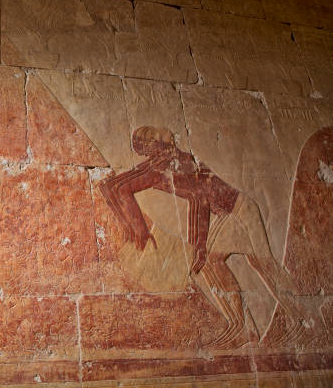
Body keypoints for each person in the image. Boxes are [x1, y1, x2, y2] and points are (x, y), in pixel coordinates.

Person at [99, 126, 306, 349]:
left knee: (255, 262)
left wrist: (198, 246)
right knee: (227, 262)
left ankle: (294, 319)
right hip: (229, 213)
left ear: (158, 144)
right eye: (144, 150)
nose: (148, 153)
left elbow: (200, 200)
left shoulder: (175, 163)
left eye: (148, 146)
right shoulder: (162, 164)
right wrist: (134, 227)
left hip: (239, 210)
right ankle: (246, 326)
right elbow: (113, 186)